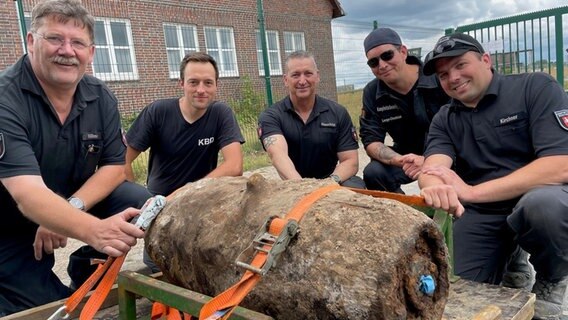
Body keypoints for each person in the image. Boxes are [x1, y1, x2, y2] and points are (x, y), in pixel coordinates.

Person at [0, 0, 152, 316]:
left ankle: (87, 269)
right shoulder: (6, 100)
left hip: (65, 197)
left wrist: (70, 210)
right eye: (55, 38)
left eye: (78, 43)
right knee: (45, 309)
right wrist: (95, 230)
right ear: (30, 42)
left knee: (137, 200)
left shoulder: (99, 96)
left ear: (91, 52)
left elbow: (114, 166)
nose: (67, 51)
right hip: (8, 223)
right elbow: (28, 196)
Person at [419, 32, 568, 319]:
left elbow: (561, 163)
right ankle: (512, 258)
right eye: (443, 74)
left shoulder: (534, 87)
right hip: (482, 215)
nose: (453, 77)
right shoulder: (444, 118)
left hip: (536, 200)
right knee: (453, 286)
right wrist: (435, 187)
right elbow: (433, 168)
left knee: (544, 208)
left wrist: (472, 192)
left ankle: (551, 278)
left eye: (461, 65)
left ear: (486, 60)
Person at [125, 52, 244, 272]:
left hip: (200, 203)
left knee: (205, 267)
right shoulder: (158, 112)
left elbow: (234, 166)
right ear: (181, 83)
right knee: (161, 271)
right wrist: (137, 201)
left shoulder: (221, 114)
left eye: (208, 83)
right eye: (194, 82)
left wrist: (184, 193)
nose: (201, 89)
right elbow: (122, 159)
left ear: (216, 85)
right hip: (160, 210)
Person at [359, 27, 450, 193]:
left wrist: (430, 161)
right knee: (374, 173)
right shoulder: (372, 92)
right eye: (374, 62)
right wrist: (399, 160)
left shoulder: (437, 78)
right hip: (407, 157)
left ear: (403, 51)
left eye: (387, 55)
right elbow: (371, 140)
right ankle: (405, 214)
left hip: (448, 153)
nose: (382, 65)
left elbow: (463, 127)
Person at [257, 50, 365, 188]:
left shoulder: (338, 113)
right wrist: (304, 188)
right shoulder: (271, 116)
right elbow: (278, 155)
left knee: (356, 186)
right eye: (295, 75)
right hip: (292, 185)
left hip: (330, 182)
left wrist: (328, 183)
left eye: (308, 73)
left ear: (317, 76)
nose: (302, 81)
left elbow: (350, 161)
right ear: (285, 80)